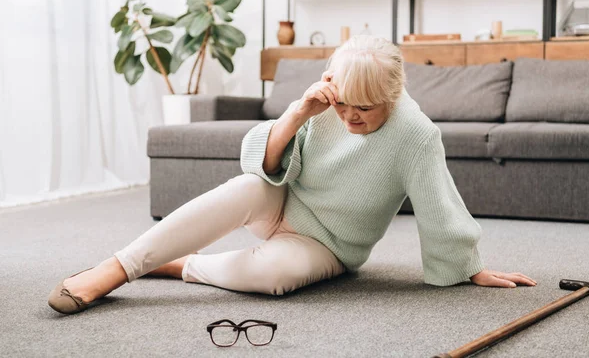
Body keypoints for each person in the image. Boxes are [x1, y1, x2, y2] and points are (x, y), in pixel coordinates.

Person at [48, 35, 536, 315]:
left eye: (364, 109)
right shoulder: (323, 102)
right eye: (342, 103)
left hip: (328, 245)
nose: (349, 117)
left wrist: (468, 266)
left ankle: (178, 264)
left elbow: (439, 205)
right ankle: (117, 268)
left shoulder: (416, 134)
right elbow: (263, 167)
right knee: (246, 187)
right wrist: (299, 112)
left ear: (392, 96)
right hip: (282, 203)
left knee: (274, 277)